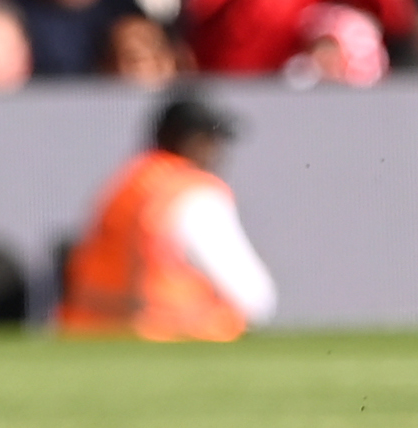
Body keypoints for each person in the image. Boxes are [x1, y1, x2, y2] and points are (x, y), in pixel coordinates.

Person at [55, 90, 277, 341]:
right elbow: (253, 296)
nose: (219, 153)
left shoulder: (130, 181)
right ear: (194, 142)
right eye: (213, 141)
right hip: (166, 338)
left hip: (89, 335)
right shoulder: (193, 192)